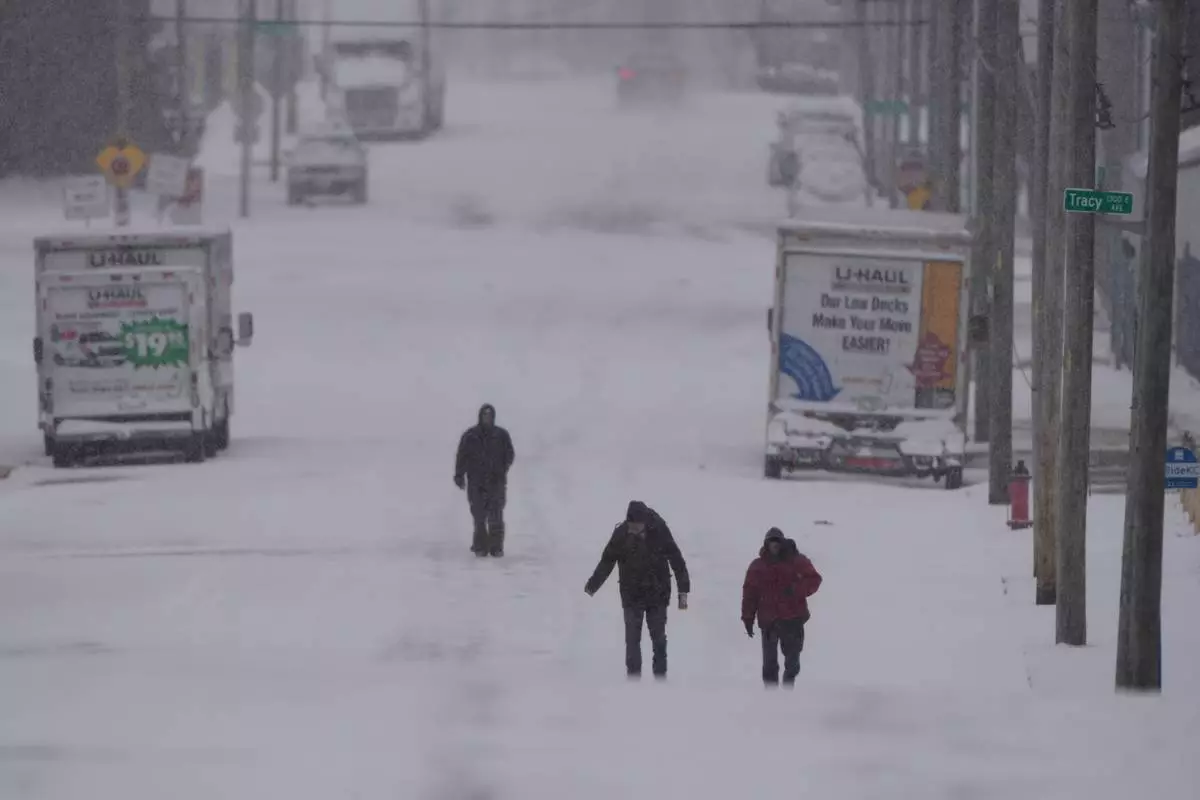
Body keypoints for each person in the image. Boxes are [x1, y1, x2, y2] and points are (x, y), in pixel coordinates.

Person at [584, 501, 690, 680]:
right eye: (630, 526)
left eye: (636, 527)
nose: (632, 530)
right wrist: (593, 585)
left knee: (658, 639)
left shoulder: (660, 530)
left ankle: (660, 679)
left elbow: (676, 560)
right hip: (631, 594)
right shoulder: (621, 534)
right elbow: (607, 561)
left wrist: (683, 591)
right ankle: (633, 681)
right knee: (632, 640)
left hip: (657, 593)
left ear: (644, 522)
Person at [741, 527, 822, 687]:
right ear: (766, 544)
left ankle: (788, 690)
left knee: (792, 662)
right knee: (769, 665)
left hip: (793, 620)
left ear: (782, 542)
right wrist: (748, 618)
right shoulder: (757, 566)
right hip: (768, 621)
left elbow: (814, 579)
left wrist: (796, 589)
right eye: (771, 541)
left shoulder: (797, 561)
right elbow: (749, 593)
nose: (775, 545)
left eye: (777, 541)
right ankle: (771, 697)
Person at [454, 403, 515, 557]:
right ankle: (480, 546)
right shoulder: (470, 436)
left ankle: (496, 547)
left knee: (496, 515)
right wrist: (459, 475)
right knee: (479, 515)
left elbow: (509, 454)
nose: (487, 418)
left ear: (493, 417)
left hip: (496, 482)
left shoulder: (501, 435)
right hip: (476, 482)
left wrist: (502, 469)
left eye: (489, 415)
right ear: (480, 416)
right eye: (484, 415)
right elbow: (462, 456)